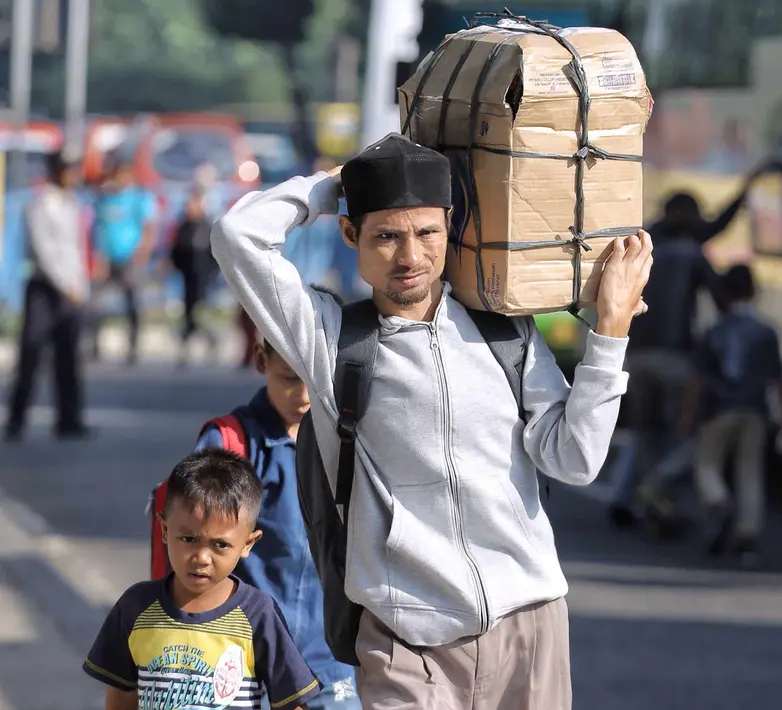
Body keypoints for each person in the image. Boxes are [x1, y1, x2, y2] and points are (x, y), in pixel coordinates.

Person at [210, 133, 652, 709]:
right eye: (386, 236)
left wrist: (609, 333)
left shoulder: (503, 332)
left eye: (426, 233)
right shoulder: (331, 339)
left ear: (450, 226)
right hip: (404, 640)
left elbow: (574, 458)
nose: (410, 257)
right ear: (351, 234)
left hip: (529, 625)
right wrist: (333, 184)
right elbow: (236, 235)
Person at [194, 287, 360, 709]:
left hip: (333, 665)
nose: (304, 395)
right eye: (289, 378)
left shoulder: (357, 442)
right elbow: (197, 559)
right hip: (243, 663)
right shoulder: (231, 445)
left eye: (315, 378)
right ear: (262, 360)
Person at [83, 449, 322, 710]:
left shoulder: (257, 614)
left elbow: (292, 702)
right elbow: (121, 694)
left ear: (247, 544)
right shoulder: (135, 607)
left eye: (220, 544)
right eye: (188, 539)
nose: (201, 557)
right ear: (164, 529)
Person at [610, 168, 764, 529]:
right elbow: (720, 295)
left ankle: (628, 499)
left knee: (644, 433)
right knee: (686, 434)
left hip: (634, 354)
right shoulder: (691, 254)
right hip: (675, 357)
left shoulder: (641, 243)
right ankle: (658, 492)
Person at [678, 264, 782, 568]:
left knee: (707, 463)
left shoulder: (713, 332)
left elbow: (697, 380)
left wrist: (688, 416)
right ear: (754, 292)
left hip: (719, 408)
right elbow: (777, 377)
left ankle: (718, 501)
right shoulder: (766, 331)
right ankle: (748, 535)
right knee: (750, 471)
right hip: (754, 409)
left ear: (723, 293)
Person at [5, 151, 88, 442]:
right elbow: (43, 251)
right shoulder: (40, 205)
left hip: (71, 291)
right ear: (55, 171)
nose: (73, 175)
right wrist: (67, 285)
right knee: (31, 354)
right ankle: (17, 419)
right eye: (68, 170)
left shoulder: (72, 204)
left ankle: (69, 419)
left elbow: (75, 250)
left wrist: (80, 285)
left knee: (68, 357)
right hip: (45, 289)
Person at [88, 155, 158, 364]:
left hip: (129, 257)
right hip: (108, 258)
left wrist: (142, 252)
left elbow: (148, 226)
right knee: (96, 304)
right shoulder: (104, 199)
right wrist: (99, 256)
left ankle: (133, 347)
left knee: (132, 303)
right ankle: (95, 345)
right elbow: (98, 229)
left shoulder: (137, 198)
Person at [171, 173, 221, 367]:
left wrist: (211, 273)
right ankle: (184, 351)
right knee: (188, 315)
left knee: (202, 314)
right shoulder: (184, 227)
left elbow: (214, 254)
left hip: (204, 279)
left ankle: (211, 343)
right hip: (187, 278)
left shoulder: (208, 227)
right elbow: (176, 251)